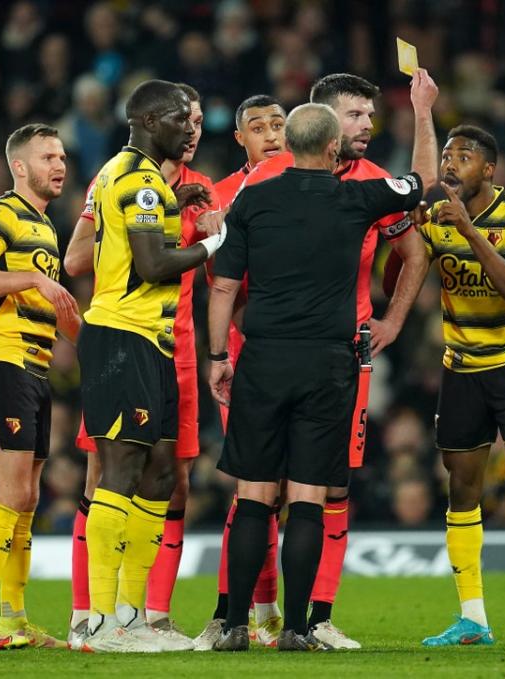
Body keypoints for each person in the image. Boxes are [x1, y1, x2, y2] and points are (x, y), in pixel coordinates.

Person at [196, 71, 438, 651]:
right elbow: (425, 183)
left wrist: (215, 356)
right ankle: (300, 628)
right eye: (354, 118)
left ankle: (234, 625)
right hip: (331, 360)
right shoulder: (358, 197)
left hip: (261, 357)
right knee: (309, 497)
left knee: (254, 493)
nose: (367, 128)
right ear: (330, 144)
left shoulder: (253, 196)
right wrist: (424, 112)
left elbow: (223, 287)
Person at [386, 125, 505, 647]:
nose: (450, 164)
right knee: (460, 488)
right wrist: (402, 239)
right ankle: (473, 620)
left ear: (488, 169)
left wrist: (467, 231)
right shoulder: (433, 219)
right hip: (461, 365)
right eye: (446, 155)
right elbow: (398, 278)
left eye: (463, 157)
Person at [76, 79, 224, 654]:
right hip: (123, 335)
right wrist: (217, 243)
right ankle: (101, 621)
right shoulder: (137, 179)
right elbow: (156, 263)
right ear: (149, 121)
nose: (189, 129)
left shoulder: (136, 178)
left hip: (155, 340)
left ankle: (133, 615)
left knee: (162, 472)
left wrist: (172, 203)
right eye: (179, 120)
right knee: (121, 470)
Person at [0, 123, 80, 650]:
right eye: (48, 156)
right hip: (0, 359)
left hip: (36, 367)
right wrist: (31, 279)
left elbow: (59, 309)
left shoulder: (46, 228)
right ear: (21, 167)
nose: (60, 165)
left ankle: (14, 616)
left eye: (63, 156)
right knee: (9, 491)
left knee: (27, 496)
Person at [194, 93, 288, 651]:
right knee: (255, 488)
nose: (271, 134)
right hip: (242, 357)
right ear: (241, 138)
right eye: (259, 127)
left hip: (303, 349)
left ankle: (272, 612)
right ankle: (239, 611)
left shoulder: (310, 184)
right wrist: (213, 239)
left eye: (279, 124)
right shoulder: (221, 196)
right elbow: (220, 288)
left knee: (292, 489)